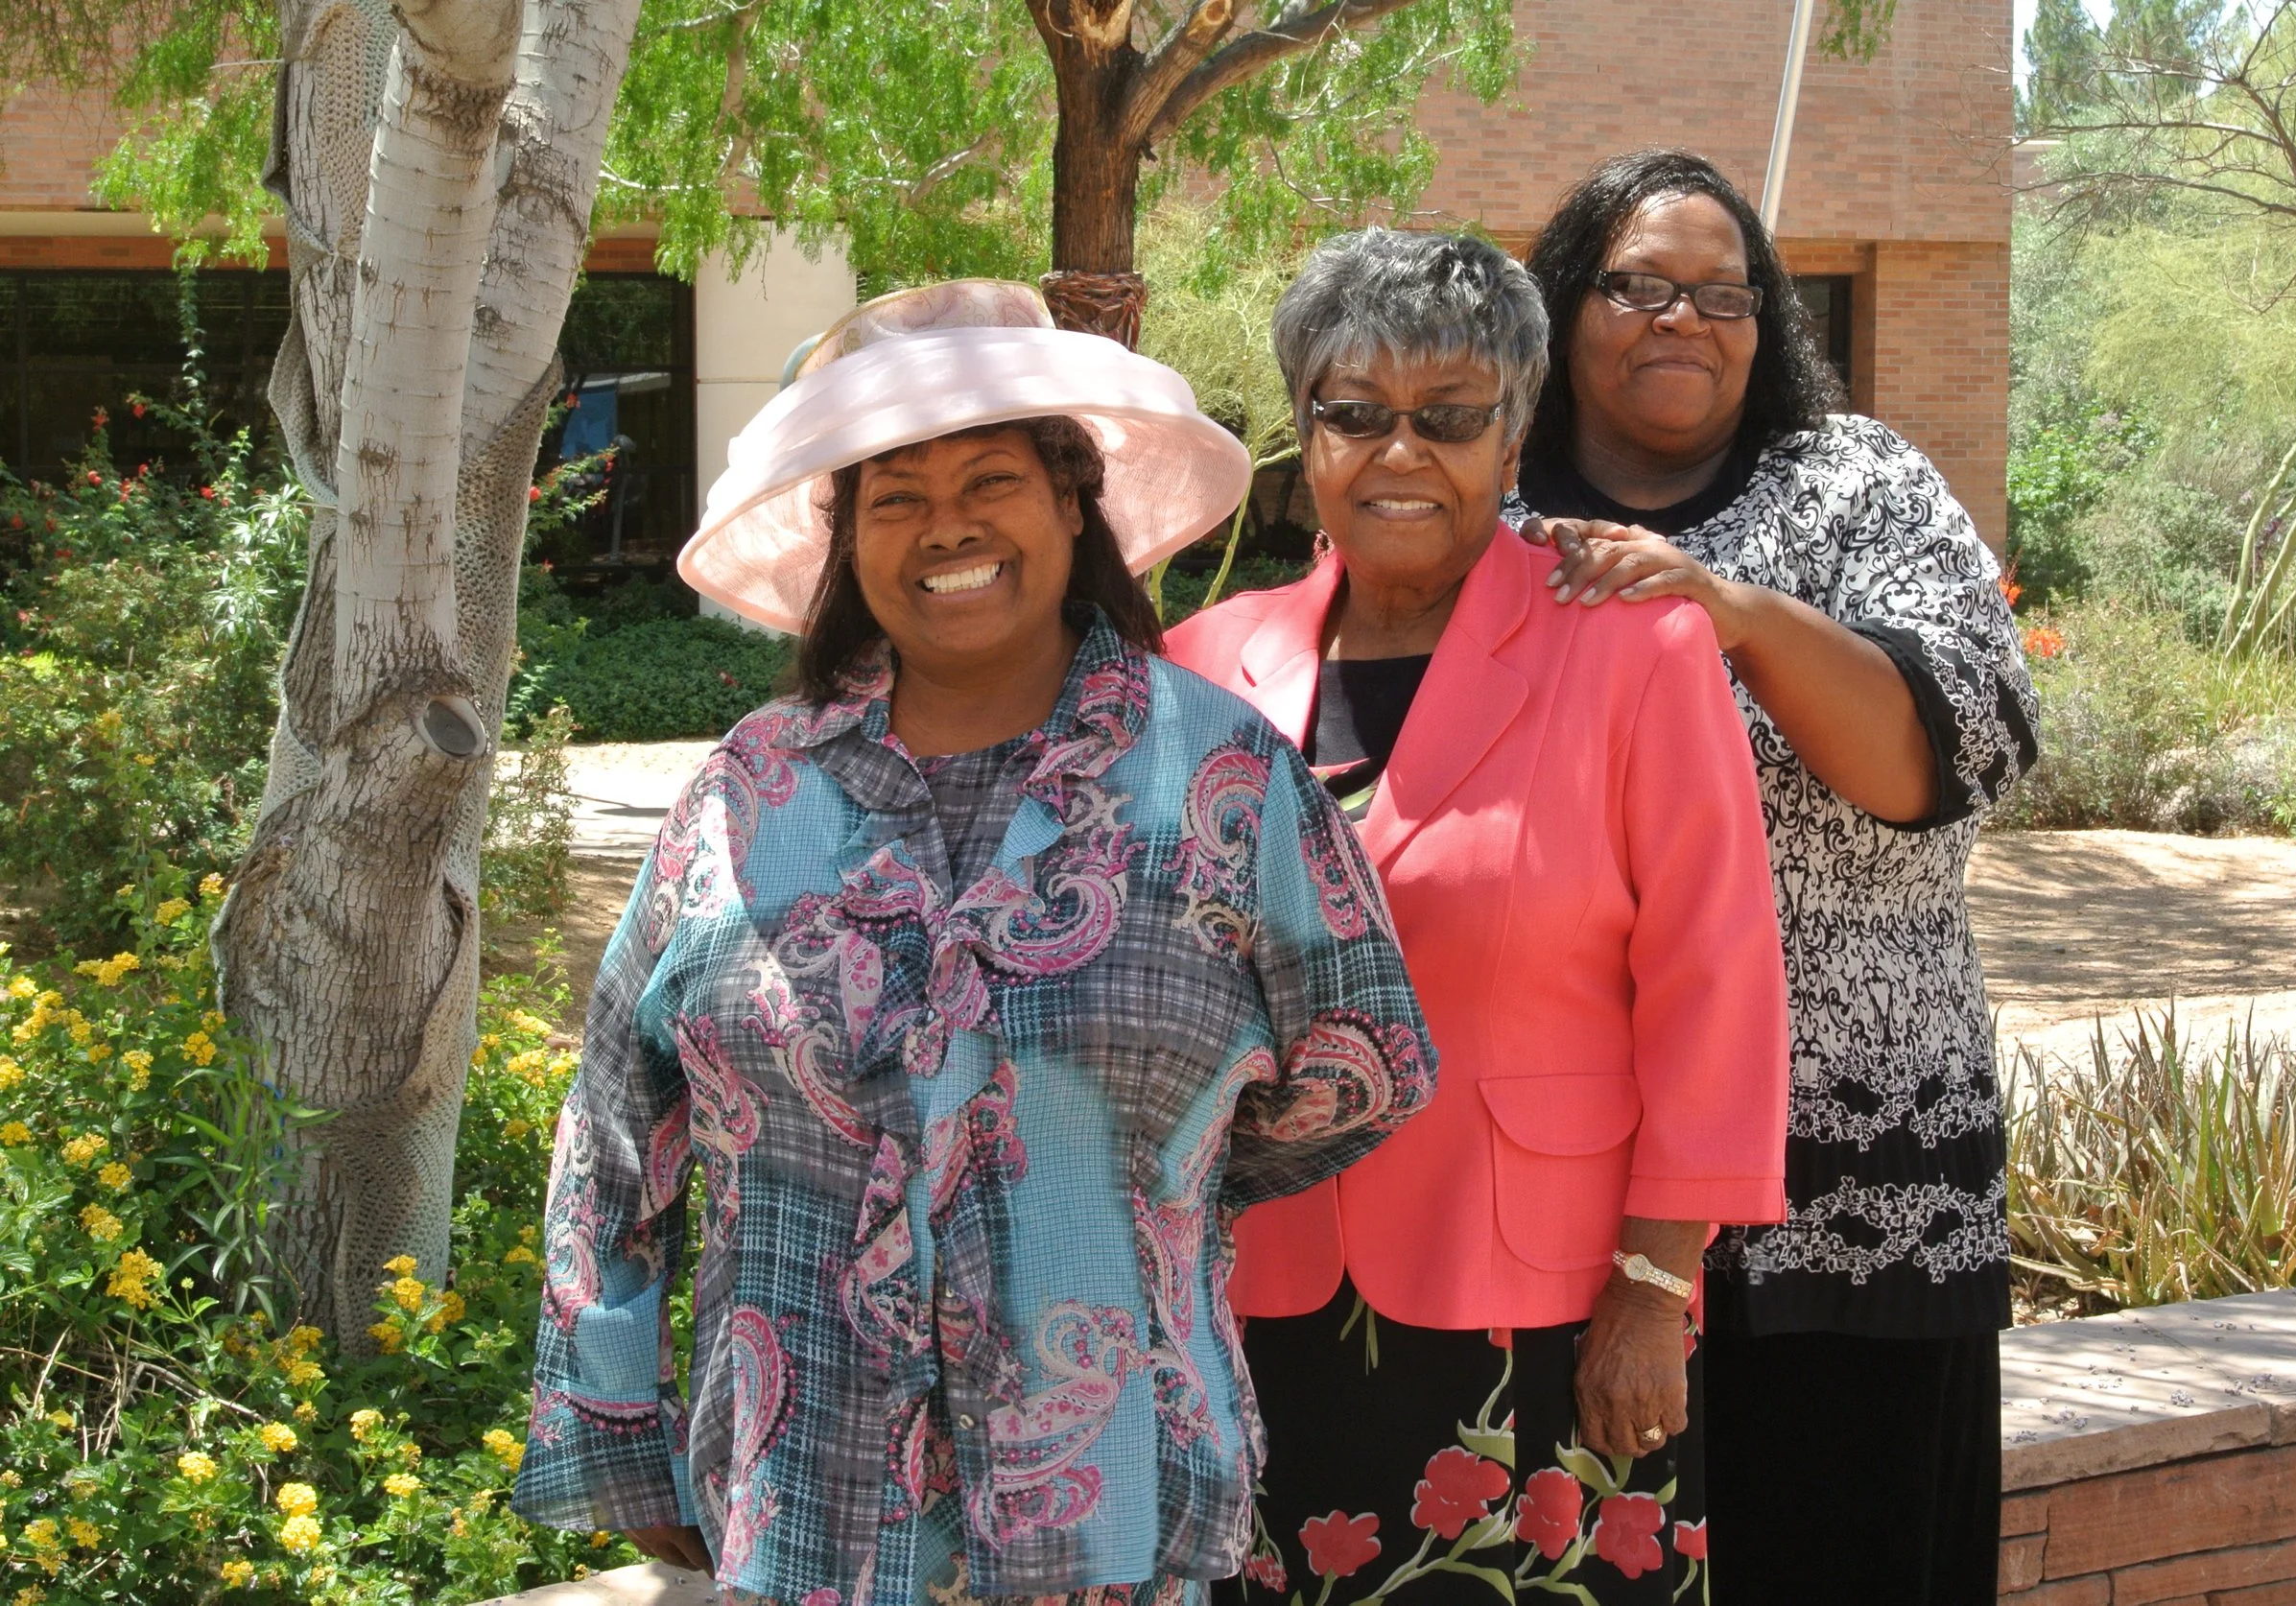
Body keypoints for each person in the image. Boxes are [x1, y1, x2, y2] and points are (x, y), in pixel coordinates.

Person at [511, 280, 1440, 1606]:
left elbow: (1370, 1058)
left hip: (1120, 1512)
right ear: (849, 537)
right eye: (894, 492)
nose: (946, 524)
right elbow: (616, 1119)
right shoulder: (745, 793)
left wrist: (1145, 1182)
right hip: (805, 1510)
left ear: (1071, 497)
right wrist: (615, 1426)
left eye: (990, 477)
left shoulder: (1221, 779)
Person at [1168, 229, 1789, 1604]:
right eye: (1357, 414)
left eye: (1450, 419)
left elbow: (1718, 985)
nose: (1402, 454)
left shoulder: (1634, 644)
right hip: (1258, 1297)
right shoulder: (1206, 664)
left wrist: (1655, 1285)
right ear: (1304, 432)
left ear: (1514, 441)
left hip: (1550, 1306)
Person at [1511, 149, 2040, 1605]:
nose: (1682, 318)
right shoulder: (1496, 523)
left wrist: (1727, 611)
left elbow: (1953, 755)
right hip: (1552, 1187)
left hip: (1858, 1184)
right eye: (1637, 285)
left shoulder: (1858, 484)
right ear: (1567, 305)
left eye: (1724, 292)